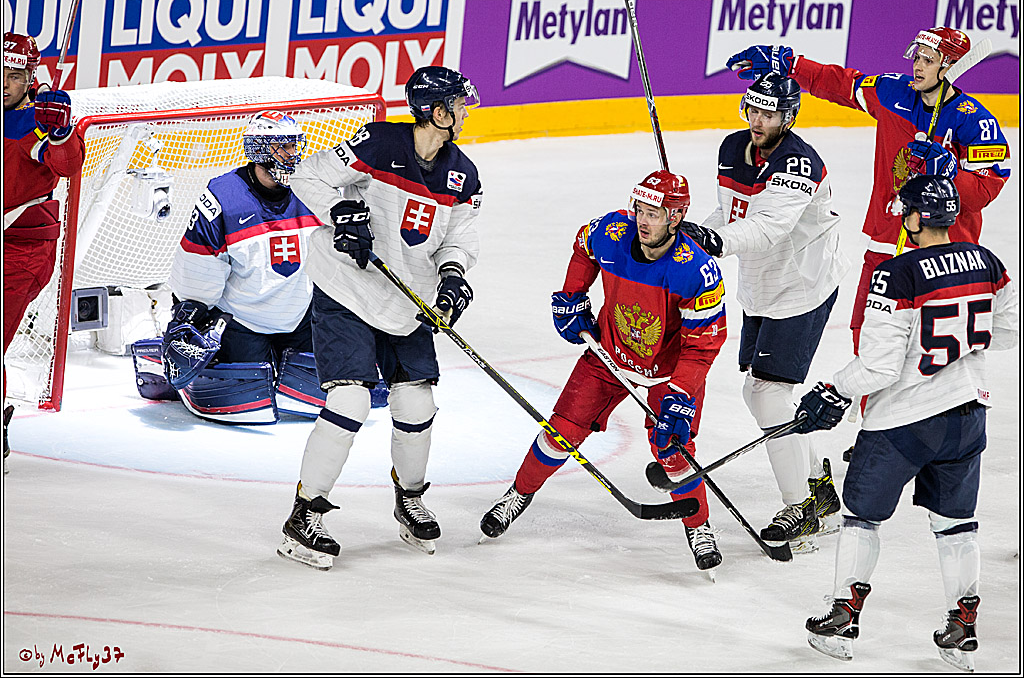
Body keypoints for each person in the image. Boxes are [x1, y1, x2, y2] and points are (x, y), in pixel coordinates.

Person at [790, 175, 1018, 671]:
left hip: (904, 421)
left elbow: (879, 367)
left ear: (916, 217)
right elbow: (1009, 332)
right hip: (968, 415)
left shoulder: (896, 274)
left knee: (862, 517)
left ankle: (843, 618)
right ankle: (962, 630)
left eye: (905, 212)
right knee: (957, 526)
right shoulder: (989, 262)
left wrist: (832, 389)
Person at [275, 66, 483, 569]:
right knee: (350, 398)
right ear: (436, 111)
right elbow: (309, 176)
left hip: (405, 297)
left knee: (416, 403)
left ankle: (409, 497)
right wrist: (342, 212)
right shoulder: (376, 143)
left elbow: (459, 237)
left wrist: (453, 276)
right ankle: (303, 516)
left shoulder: (465, 174)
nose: (464, 111)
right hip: (346, 286)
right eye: (457, 103)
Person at [479, 170, 728, 575]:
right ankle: (518, 494)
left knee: (673, 452)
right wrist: (572, 297)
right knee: (560, 430)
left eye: (654, 213)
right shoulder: (612, 233)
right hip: (609, 355)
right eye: (640, 210)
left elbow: (703, 346)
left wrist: (681, 396)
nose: (643, 220)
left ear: (676, 217)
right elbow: (583, 245)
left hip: (668, 373)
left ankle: (699, 527)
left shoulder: (697, 272)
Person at [725, 28, 1010, 353]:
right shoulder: (892, 92)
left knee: (933, 353)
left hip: (943, 252)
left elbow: (987, 188)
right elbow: (843, 85)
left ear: (949, 65)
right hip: (886, 240)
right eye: (916, 56)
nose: (917, 65)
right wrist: (792, 65)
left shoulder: (975, 123)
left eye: (927, 60)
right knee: (866, 340)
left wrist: (951, 173)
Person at [676, 73, 849, 553]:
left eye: (768, 113)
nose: (757, 121)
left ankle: (802, 508)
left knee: (770, 395)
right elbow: (731, 217)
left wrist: (713, 242)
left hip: (800, 285)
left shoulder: (799, 162)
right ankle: (818, 487)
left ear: (788, 116)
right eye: (752, 110)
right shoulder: (733, 147)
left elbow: (768, 228)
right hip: (761, 284)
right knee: (761, 393)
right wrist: (690, 235)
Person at [148, 110, 384, 425]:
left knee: (348, 386)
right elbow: (198, 267)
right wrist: (189, 315)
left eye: (295, 145)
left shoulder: (313, 189)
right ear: (258, 149)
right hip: (243, 320)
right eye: (282, 146)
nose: (292, 153)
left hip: (300, 315)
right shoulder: (223, 197)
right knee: (248, 398)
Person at [3, 32, 85, 473]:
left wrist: (61, 131)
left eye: (14, 75)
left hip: (22, 251)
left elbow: (68, 168)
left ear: (31, 77)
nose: (4, 83)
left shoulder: (39, 118)